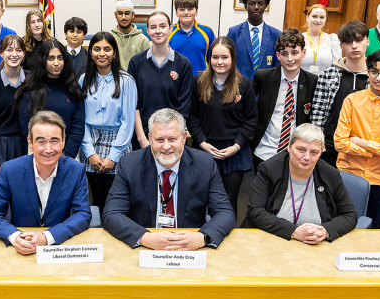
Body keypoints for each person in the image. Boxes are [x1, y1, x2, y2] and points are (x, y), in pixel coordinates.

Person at [103, 108, 237, 249]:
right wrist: (145, 237)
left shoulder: (205, 164)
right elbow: (111, 214)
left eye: (172, 139)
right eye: (159, 140)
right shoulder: (130, 164)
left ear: (184, 138)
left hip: (190, 248)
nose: (166, 146)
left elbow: (225, 212)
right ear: (150, 139)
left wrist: (203, 237)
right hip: (145, 247)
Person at [0, 111, 91, 254]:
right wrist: (15, 237)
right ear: (30, 143)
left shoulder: (75, 170)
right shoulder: (10, 170)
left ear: (63, 141)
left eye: (54, 141)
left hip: (57, 249)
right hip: (20, 248)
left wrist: (47, 237)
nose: (48, 149)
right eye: (41, 142)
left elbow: (83, 214)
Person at [333, 49, 380, 228]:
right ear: (367, 71)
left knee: (372, 227)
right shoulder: (352, 100)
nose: (378, 78)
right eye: (374, 71)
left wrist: (363, 143)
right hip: (349, 175)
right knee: (341, 224)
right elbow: (340, 143)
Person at [245, 124, 358, 242]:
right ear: (289, 146)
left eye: (314, 152)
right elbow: (255, 212)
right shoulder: (269, 169)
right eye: (301, 150)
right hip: (272, 239)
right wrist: (293, 231)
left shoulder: (330, 175)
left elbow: (349, 215)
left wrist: (325, 231)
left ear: (321, 153)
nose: (307, 157)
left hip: (316, 245)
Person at [188, 36, 257, 210]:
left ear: (232, 58)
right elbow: (192, 117)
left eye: (224, 57)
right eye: (215, 57)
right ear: (209, 58)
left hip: (234, 152)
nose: (219, 62)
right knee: (201, 201)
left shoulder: (244, 84)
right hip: (204, 150)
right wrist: (203, 143)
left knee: (228, 202)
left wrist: (236, 147)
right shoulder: (199, 82)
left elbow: (250, 120)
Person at [79, 32, 137, 213]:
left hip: (118, 142)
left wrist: (113, 156)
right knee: (96, 200)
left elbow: (128, 122)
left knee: (116, 202)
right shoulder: (84, 79)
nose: (101, 54)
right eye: (96, 49)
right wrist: (89, 152)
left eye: (106, 49)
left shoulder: (126, 81)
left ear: (114, 53)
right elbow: (80, 119)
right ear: (90, 53)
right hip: (90, 144)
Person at [252, 28, 319, 171]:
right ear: (278, 55)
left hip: (297, 154)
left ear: (304, 53)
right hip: (264, 150)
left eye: (295, 53)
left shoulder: (312, 81)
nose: (290, 59)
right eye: (284, 54)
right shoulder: (263, 77)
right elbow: (248, 108)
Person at [129, 11, 195, 149]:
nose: (158, 31)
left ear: (170, 28)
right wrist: (142, 139)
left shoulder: (183, 64)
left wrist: (170, 140)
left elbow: (183, 107)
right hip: (143, 137)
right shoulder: (136, 63)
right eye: (153, 27)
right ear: (147, 31)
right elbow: (133, 104)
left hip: (170, 140)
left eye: (162, 26)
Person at [310, 21, 370, 165]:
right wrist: (318, 141)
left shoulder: (376, 75)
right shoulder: (329, 72)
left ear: (367, 41)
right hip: (330, 144)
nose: (354, 46)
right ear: (341, 46)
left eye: (359, 40)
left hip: (363, 144)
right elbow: (318, 111)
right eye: (348, 42)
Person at [14, 39, 86, 160]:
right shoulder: (31, 88)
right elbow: (26, 125)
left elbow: (78, 125)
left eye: (60, 58)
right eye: (51, 58)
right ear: (43, 61)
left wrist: (67, 155)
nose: (57, 63)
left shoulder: (73, 88)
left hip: (68, 154)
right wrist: (43, 150)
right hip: (38, 153)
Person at [0, 34, 28, 177]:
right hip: (4, 144)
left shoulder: (32, 80)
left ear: (24, 53)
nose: (14, 54)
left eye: (19, 50)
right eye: (9, 50)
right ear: (1, 53)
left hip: (30, 142)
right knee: (7, 189)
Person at [227, 0, 281, 80]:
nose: (256, 7)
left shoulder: (276, 35)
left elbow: (278, 67)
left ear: (266, 6)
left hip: (265, 90)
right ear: (245, 6)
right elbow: (227, 61)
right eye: (252, 4)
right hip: (239, 88)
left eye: (260, 4)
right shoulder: (234, 33)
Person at [168, 0, 215, 74]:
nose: (186, 12)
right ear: (176, 12)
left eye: (190, 9)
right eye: (182, 9)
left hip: (201, 82)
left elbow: (213, 58)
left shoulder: (207, 32)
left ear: (196, 11)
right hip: (176, 82)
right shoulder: (169, 32)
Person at [110, 0, 150, 69]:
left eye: (127, 13)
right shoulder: (110, 38)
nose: (124, 17)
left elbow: (148, 67)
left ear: (133, 15)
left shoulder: (143, 41)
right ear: (115, 15)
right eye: (120, 13)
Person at [301, 4, 341, 74]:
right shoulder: (298, 38)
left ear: (326, 19)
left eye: (322, 17)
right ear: (307, 18)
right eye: (314, 16)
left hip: (325, 82)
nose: (318, 20)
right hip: (302, 81)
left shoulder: (332, 39)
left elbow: (337, 67)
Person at [22, 9, 52, 74]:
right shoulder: (23, 43)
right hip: (29, 81)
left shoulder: (52, 42)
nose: (36, 25)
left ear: (43, 23)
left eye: (39, 21)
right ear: (28, 26)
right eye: (32, 22)